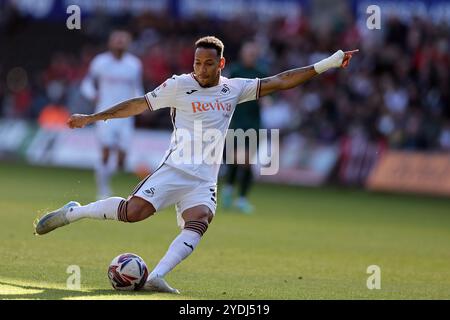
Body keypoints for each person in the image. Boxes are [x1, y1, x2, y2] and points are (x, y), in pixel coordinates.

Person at [34, 36, 357, 294]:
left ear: (221, 63)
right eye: (197, 63)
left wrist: (328, 63)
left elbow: (282, 80)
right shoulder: (178, 85)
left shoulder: (234, 88)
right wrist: (93, 117)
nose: (201, 69)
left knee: (199, 220)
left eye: (208, 63)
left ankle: (156, 277)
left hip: (205, 177)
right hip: (175, 168)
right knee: (134, 214)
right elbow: (139, 104)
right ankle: (73, 212)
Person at [80, 30, 144, 199]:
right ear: (110, 43)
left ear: (128, 44)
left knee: (122, 159)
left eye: (123, 41)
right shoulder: (100, 62)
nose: (119, 44)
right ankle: (102, 190)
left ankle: (107, 178)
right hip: (104, 113)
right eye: (117, 41)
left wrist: (142, 103)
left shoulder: (134, 64)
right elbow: (86, 83)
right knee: (106, 152)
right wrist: (92, 94)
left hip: (126, 116)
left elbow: (137, 88)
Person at [222, 41, 266, 214]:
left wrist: (267, 100)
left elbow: (270, 91)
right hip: (235, 122)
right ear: (242, 54)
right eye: (249, 53)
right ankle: (230, 190)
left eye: (254, 54)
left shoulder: (261, 73)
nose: (251, 57)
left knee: (247, 161)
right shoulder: (234, 71)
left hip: (253, 124)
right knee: (235, 159)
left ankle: (240, 199)